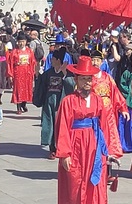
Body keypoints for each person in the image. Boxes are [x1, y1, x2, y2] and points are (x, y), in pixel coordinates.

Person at [55, 56, 114, 203]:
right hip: (75, 146)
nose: (87, 82)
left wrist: (106, 151)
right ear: (76, 80)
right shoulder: (68, 101)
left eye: (89, 79)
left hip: (94, 146)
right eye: (83, 79)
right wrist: (64, 154)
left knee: (94, 183)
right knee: (75, 181)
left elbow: (104, 126)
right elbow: (62, 128)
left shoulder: (98, 100)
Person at [32, 47, 75, 159]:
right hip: (49, 102)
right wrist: (37, 75)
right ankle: (52, 148)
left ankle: (60, 147)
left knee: (59, 125)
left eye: (53, 59)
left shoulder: (66, 73)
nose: (51, 61)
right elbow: (41, 84)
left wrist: (66, 74)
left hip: (60, 103)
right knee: (49, 124)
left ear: (57, 60)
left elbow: (72, 86)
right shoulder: (48, 73)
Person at [7, 33, 36, 114]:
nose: (21, 43)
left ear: (26, 42)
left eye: (23, 41)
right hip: (18, 73)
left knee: (26, 89)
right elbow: (10, 63)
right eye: (20, 41)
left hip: (27, 73)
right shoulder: (14, 52)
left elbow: (33, 62)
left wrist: (33, 72)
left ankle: (24, 104)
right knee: (18, 90)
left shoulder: (29, 51)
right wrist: (10, 74)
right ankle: (19, 107)